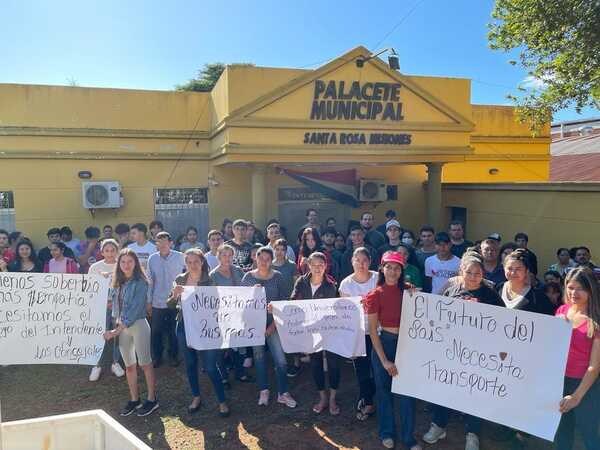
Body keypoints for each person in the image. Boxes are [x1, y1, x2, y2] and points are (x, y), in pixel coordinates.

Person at [423, 252, 503, 450]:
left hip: (478, 356)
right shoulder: (451, 289)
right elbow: (434, 312)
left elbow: (503, 324)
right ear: (461, 271)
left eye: (478, 273)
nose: (474, 276)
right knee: (444, 389)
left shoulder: (491, 294)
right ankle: (439, 426)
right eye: (469, 272)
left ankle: (472, 433)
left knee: (474, 394)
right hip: (450, 352)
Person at [364, 252, 421, 450]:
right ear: (382, 268)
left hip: (406, 344)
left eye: (397, 267)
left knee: (406, 393)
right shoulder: (374, 294)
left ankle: (408, 438)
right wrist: (385, 361)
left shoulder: (409, 292)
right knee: (384, 391)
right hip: (384, 344)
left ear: (402, 271)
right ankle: (386, 432)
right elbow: (372, 331)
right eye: (389, 266)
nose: (393, 271)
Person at [168, 248, 230, 417]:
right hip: (184, 327)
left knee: (210, 367)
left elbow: (224, 302)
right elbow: (170, 305)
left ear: (202, 262)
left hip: (208, 328)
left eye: (196, 261)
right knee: (190, 364)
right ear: (185, 264)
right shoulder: (180, 279)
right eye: (189, 262)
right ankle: (196, 396)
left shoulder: (211, 279)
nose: (192, 265)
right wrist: (174, 296)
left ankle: (222, 400)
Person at [103, 248, 158, 417]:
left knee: (145, 364)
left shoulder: (141, 282)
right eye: (123, 262)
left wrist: (115, 331)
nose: (126, 265)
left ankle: (152, 399)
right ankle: (135, 400)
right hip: (122, 328)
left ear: (136, 263)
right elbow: (114, 305)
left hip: (138, 325)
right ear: (118, 264)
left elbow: (134, 311)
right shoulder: (118, 281)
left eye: (130, 262)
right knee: (129, 366)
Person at [241, 247, 297, 408]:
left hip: (275, 324)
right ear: (256, 259)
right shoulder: (248, 278)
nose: (264, 262)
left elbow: (284, 302)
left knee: (280, 360)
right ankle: (263, 390)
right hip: (255, 325)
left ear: (271, 260)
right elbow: (241, 304)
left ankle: (283, 393)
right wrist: (252, 294)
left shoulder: (278, 277)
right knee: (259, 358)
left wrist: (273, 325)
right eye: (261, 258)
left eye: (267, 259)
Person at [554, 267, 600, 449]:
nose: (574, 293)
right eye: (570, 287)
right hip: (558, 381)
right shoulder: (561, 311)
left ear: (591, 290)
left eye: (580, 288)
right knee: (562, 431)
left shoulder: (596, 320)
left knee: (589, 434)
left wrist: (576, 396)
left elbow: (594, 367)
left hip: (585, 386)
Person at [291, 252, 341, 415]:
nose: (318, 268)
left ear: (326, 266)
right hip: (310, 332)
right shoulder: (302, 282)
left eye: (321, 265)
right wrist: (278, 309)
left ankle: (333, 397)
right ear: (308, 265)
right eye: (314, 265)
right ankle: (322, 397)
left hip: (330, 332)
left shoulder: (331, 285)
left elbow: (338, 309)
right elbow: (293, 302)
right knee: (316, 364)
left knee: (333, 364)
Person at [339, 247, 378, 421]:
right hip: (358, 333)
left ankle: (375, 397)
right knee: (361, 369)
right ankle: (366, 400)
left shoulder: (378, 278)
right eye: (357, 260)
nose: (361, 264)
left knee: (377, 368)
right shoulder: (346, 284)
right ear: (352, 262)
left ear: (369, 261)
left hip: (378, 331)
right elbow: (345, 312)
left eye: (364, 260)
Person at [209, 244, 253, 380]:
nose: (227, 258)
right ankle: (223, 377)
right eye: (224, 255)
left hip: (238, 315)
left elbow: (246, 288)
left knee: (238, 345)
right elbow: (211, 297)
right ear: (218, 256)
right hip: (221, 316)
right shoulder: (213, 275)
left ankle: (240, 373)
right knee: (222, 348)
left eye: (229, 255)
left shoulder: (238, 271)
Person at [88, 239, 125, 381]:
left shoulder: (121, 265)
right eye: (107, 250)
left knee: (117, 333)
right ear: (102, 252)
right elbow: (90, 288)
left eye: (113, 250)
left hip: (118, 306)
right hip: (100, 307)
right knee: (100, 333)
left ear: (117, 251)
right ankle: (97, 365)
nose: (110, 253)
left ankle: (115, 363)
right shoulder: (95, 267)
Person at [147, 231, 185, 368]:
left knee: (173, 331)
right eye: (158, 242)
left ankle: (174, 356)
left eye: (164, 241)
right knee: (156, 331)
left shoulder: (180, 257)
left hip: (176, 301)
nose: (162, 244)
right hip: (158, 301)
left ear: (171, 243)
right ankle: (157, 356)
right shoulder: (152, 259)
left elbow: (187, 276)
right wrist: (149, 301)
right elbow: (150, 281)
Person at [496, 249, 556, 315]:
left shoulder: (539, 298)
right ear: (504, 269)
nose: (513, 273)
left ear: (526, 271)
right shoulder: (496, 289)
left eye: (518, 269)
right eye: (510, 268)